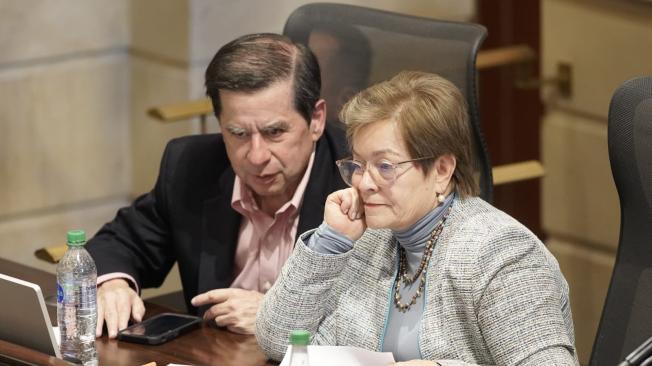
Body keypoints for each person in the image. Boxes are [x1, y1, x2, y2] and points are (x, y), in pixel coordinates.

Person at [256, 71, 579, 365]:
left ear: (441, 170)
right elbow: (279, 342)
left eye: (385, 166)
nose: (364, 183)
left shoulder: (501, 254)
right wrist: (330, 241)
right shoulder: (370, 237)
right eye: (358, 165)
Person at [85, 33, 348, 339]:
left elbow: (378, 320)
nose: (257, 156)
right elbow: (120, 243)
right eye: (237, 133)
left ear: (316, 119)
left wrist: (275, 315)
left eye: (274, 132)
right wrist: (113, 285)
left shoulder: (357, 182)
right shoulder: (192, 166)